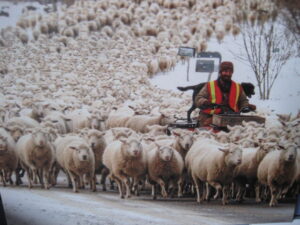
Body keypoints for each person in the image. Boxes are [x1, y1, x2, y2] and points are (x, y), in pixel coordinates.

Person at [195, 61, 256, 126]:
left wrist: (245, 106)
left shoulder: (238, 87)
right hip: (209, 115)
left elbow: (243, 100)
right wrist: (204, 102)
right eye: (225, 71)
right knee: (205, 126)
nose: (228, 74)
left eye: (230, 72)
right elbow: (199, 98)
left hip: (231, 117)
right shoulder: (210, 85)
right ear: (220, 72)